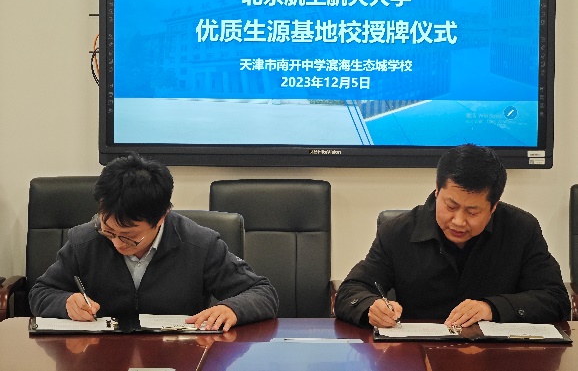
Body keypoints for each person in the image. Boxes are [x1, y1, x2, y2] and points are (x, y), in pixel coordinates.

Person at [29, 153, 278, 331]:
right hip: (103, 357)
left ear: (161, 218)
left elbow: (262, 292)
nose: (117, 244)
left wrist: (232, 309)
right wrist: (65, 304)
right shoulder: (84, 241)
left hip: (178, 357)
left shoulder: (199, 244)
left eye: (129, 236)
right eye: (109, 231)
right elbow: (41, 292)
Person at [335, 144, 571, 329]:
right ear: (437, 191)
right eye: (451, 206)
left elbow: (556, 299)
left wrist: (492, 308)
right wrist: (371, 307)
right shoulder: (398, 232)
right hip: (417, 355)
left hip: (496, 357)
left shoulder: (521, 229)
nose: (458, 221)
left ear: (493, 206)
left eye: (472, 212)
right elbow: (350, 291)